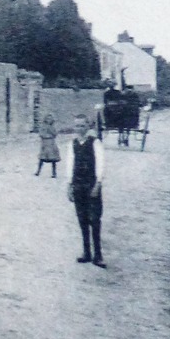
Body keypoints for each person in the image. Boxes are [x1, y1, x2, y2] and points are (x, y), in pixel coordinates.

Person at [64, 114, 106, 267]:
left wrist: (98, 183)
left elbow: (101, 163)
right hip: (78, 185)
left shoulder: (95, 143)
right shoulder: (72, 144)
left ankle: (98, 255)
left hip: (91, 185)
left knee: (94, 220)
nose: (79, 128)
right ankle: (86, 252)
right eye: (77, 126)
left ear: (88, 127)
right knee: (82, 220)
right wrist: (69, 185)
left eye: (82, 125)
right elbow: (70, 165)